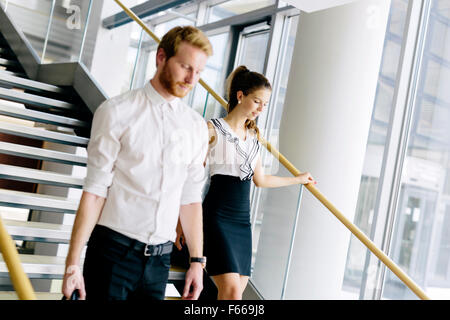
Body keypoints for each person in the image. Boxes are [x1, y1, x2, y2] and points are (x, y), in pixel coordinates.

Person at [61, 26, 213, 300]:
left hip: (159, 262)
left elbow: (190, 199)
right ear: (161, 57)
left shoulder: (195, 127)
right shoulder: (117, 112)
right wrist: (73, 264)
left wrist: (196, 261)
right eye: (185, 67)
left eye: (199, 72)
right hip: (112, 254)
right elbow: (95, 192)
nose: (192, 79)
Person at [202, 66, 316, 300]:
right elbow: (190, 175)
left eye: (265, 104)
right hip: (216, 216)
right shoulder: (212, 129)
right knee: (232, 292)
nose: (261, 109)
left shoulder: (254, 138)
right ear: (240, 95)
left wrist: (298, 179)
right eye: (257, 101)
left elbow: (261, 180)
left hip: (242, 221)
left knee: (235, 294)